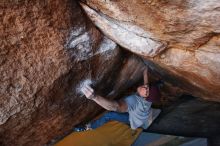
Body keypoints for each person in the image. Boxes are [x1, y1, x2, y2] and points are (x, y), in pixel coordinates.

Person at [75, 67, 161, 131]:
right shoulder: (149, 97)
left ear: (145, 98)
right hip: (144, 114)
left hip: (133, 119)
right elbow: (146, 84)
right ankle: (159, 84)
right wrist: (145, 73)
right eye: (147, 87)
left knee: (109, 115)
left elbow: (115, 107)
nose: (144, 88)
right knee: (153, 86)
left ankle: (88, 127)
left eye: (146, 91)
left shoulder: (134, 101)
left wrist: (94, 97)